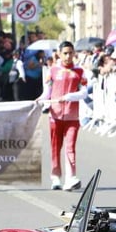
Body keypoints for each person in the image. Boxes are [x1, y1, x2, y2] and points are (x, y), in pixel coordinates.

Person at [36, 41, 88, 191]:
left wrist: (69, 96)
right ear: (59, 54)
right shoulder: (52, 70)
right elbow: (47, 92)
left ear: (74, 53)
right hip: (55, 115)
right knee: (55, 147)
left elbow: (84, 93)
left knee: (70, 147)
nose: (68, 56)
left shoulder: (79, 71)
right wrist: (39, 100)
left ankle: (71, 178)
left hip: (72, 116)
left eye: (70, 53)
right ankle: (56, 177)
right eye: (65, 53)